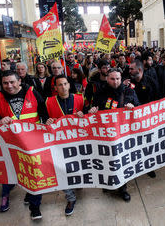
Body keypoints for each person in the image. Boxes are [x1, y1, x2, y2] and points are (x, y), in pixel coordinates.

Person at [0, 70, 49, 220]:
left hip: (32, 141)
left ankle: (35, 207)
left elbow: (43, 110)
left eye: (12, 82)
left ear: (19, 81)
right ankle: (13, 194)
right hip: (11, 143)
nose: (9, 86)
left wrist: (47, 122)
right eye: (5, 83)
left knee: (35, 172)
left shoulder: (32, 92)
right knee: (12, 172)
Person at [89, 68, 139, 202]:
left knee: (121, 161)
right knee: (107, 161)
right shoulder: (100, 92)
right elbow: (94, 108)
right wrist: (92, 110)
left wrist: (132, 106)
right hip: (106, 135)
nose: (115, 81)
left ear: (121, 78)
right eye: (112, 78)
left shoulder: (128, 91)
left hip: (123, 134)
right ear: (107, 78)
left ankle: (122, 188)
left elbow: (139, 107)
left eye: (118, 78)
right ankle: (108, 184)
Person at [45, 75, 84, 215]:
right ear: (55, 88)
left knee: (78, 166)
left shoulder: (80, 99)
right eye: (59, 85)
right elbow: (43, 119)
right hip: (58, 143)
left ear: (69, 85)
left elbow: (91, 118)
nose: (63, 87)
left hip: (78, 141)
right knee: (61, 170)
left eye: (65, 84)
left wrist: (84, 114)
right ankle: (70, 198)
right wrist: (47, 121)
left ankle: (78, 183)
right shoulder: (48, 102)